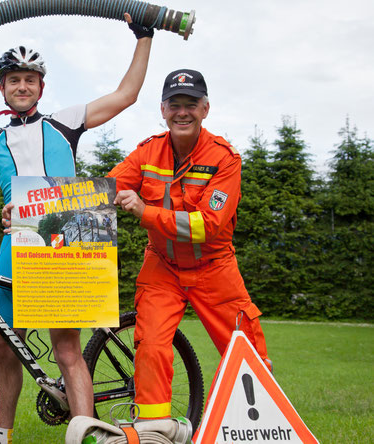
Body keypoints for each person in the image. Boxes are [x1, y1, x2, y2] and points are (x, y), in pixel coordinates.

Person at [0, 14, 155, 443]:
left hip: (66, 237)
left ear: (41, 87)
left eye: (30, 79)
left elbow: (126, 95)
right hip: (14, 242)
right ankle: (2, 434)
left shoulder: (65, 121)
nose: (22, 86)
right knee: (6, 345)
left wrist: (143, 36)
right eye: (14, 80)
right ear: (2, 88)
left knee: (67, 349)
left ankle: (87, 432)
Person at [107, 69, 272, 421]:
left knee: (249, 351)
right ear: (163, 110)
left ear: (205, 109)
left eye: (191, 104)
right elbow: (98, 191)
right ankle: (154, 430)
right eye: (175, 104)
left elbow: (208, 226)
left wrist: (146, 211)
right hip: (162, 267)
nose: (183, 112)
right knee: (150, 345)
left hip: (215, 267)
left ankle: (236, 425)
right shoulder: (148, 152)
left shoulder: (225, 159)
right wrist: (30, 208)